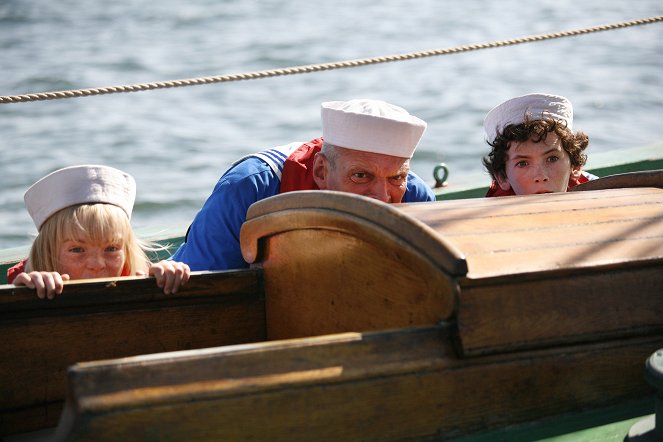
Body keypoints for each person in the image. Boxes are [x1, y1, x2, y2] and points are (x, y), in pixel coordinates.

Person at [172, 98, 435, 271]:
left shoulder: (416, 198)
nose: (382, 197)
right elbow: (202, 286)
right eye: (361, 176)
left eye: (396, 177)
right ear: (321, 170)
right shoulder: (248, 190)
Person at [7, 165, 190, 299]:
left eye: (111, 248)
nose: (97, 264)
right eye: (77, 250)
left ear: (127, 251)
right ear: (48, 253)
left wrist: (168, 275)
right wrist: (25, 291)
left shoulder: (140, 279)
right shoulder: (30, 283)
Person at [482, 93, 596, 197]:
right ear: (502, 177)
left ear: (575, 167)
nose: (541, 177)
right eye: (523, 163)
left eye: (552, 159)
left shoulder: (598, 192)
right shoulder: (489, 219)